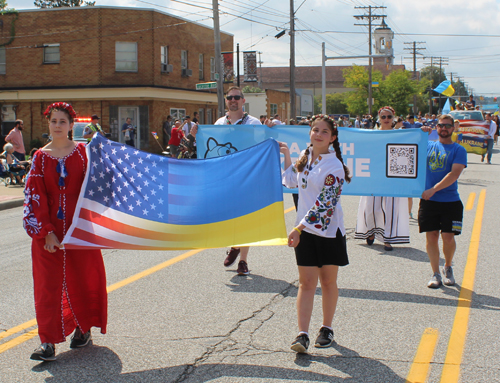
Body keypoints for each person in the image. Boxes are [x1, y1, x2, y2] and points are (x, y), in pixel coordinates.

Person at [23, 102, 107, 361]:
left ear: (71, 126)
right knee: (48, 287)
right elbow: (33, 196)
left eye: (62, 121)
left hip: (80, 230)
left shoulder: (83, 153)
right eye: (53, 121)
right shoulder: (39, 157)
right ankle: (47, 341)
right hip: (47, 235)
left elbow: (99, 186)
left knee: (83, 279)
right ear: (48, 124)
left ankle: (83, 330)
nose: (57, 126)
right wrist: (46, 232)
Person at [280, 114, 351, 353]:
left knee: (328, 281)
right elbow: (290, 181)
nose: (317, 134)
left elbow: (326, 204)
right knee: (306, 282)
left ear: (332, 138)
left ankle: (327, 328)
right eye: (314, 130)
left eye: (323, 131)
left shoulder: (335, 166)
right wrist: (286, 156)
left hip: (329, 231)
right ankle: (302, 335)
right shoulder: (305, 155)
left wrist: (298, 227)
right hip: (304, 231)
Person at [215, 86, 263, 275]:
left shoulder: (254, 123)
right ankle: (234, 245)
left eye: (237, 97)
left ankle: (243, 260)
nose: (233, 100)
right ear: (226, 101)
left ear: (243, 101)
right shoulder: (219, 123)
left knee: (245, 219)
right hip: (225, 177)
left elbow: (263, 145)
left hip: (246, 176)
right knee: (228, 217)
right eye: (230, 97)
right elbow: (211, 145)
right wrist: (196, 135)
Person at [419, 114, 467, 288]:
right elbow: (407, 147)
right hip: (428, 201)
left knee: (448, 237)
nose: (444, 128)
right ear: (437, 127)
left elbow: (454, 174)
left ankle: (448, 266)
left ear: (453, 128)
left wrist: (434, 189)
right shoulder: (428, 146)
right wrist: (421, 133)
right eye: (441, 125)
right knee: (431, 236)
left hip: (450, 201)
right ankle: (435, 273)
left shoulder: (458, 150)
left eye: (447, 126)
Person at [354, 106, 410, 251]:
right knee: (372, 206)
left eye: (389, 117)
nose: (386, 119)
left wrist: (424, 132)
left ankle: (388, 238)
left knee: (390, 207)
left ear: (393, 118)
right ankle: (371, 231)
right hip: (374, 175)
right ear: (379, 118)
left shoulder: (401, 135)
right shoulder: (371, 134)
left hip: (392, 176)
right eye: (383, 117)